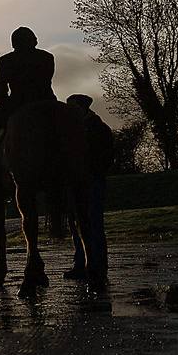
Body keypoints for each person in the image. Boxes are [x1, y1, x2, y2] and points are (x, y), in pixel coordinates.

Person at [0, 26, 56, 182]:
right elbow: (45, 83)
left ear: (14, 43)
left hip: (17, 106)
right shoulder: (47, 57)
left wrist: (5, 106)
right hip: (47, 104)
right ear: (34, 41)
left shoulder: (6, 60)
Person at [64, 93, 112, 285]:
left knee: (93, 224)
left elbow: (104, 156)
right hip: (77, 181)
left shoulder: (97, 128)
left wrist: (92, 171)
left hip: (91, 180)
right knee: (77, 225)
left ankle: (97, 265)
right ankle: (81, 263)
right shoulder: (74, 129)